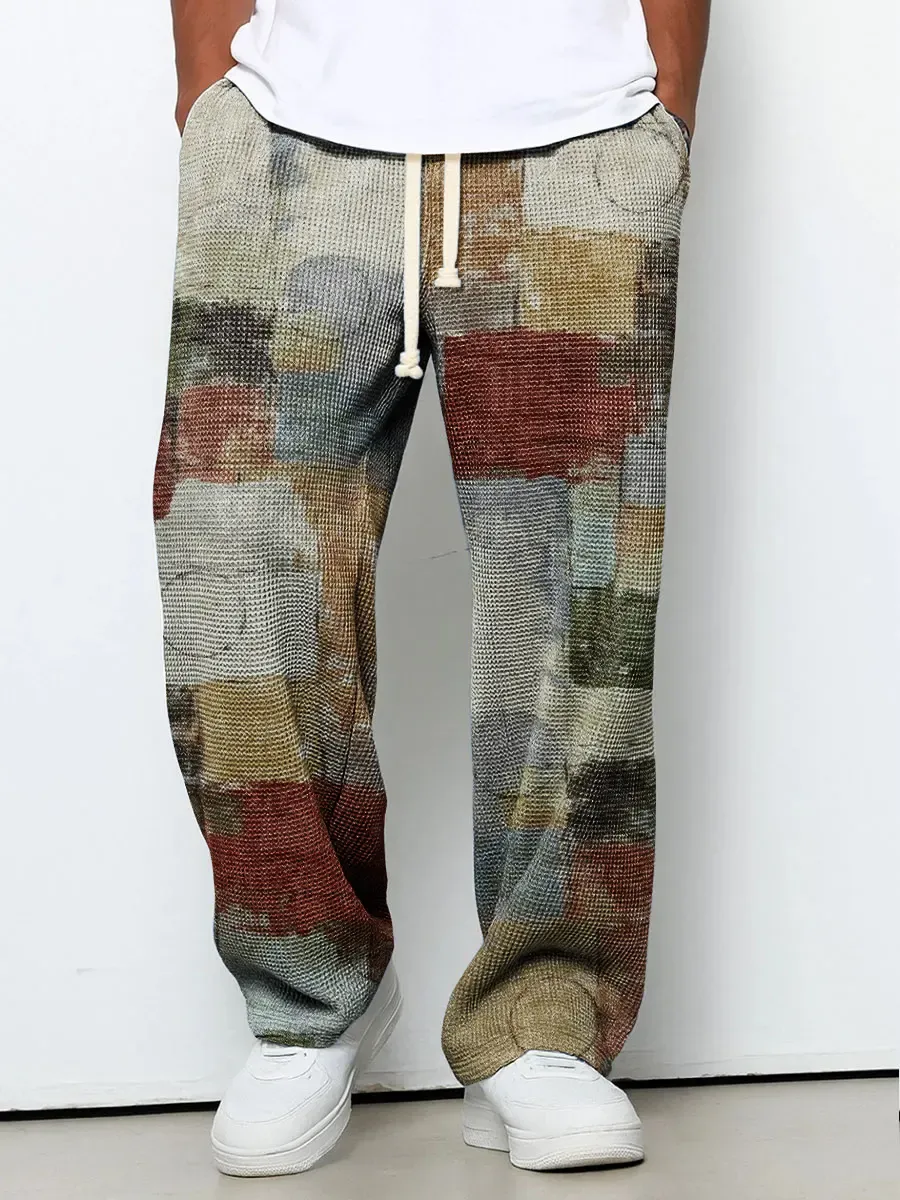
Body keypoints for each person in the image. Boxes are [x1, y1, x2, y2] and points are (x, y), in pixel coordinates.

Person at [155, 0, 709, 1176]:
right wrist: (212, 93)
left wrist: (663, 103)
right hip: (287, 134)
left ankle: (542, 1020)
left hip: (579, 134)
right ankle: (310, 997)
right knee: (238, 581)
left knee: (577, 607)